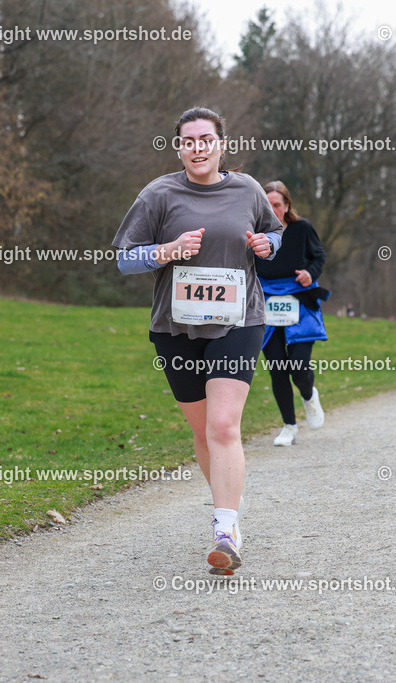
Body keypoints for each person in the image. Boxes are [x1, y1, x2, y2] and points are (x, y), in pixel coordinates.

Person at [112, 107, 282, 575]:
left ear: (221, 143)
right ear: (179, 147)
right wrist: (168, 250)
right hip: (176, 328)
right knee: (204, 429)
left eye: (206, 139)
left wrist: (270, 246)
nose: (197, 148)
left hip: (239, 322)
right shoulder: (159, 194)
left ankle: (225, 530)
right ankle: (228, 501)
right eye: (188, 141)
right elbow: (124, 259)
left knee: (224, 427)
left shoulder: (246, 190)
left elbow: (275, 233)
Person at [257, 181, 329, 447]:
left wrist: (310, 272)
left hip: (299, 301)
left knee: (298, 366)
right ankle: (289, 426)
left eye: (277, 204)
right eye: (268, 204)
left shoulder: (302, 229)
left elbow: (318, 256)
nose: (273, 209)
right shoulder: (254, 233)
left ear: (287, 206)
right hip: (265, 304)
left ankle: (309, 396)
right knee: (277, 368)